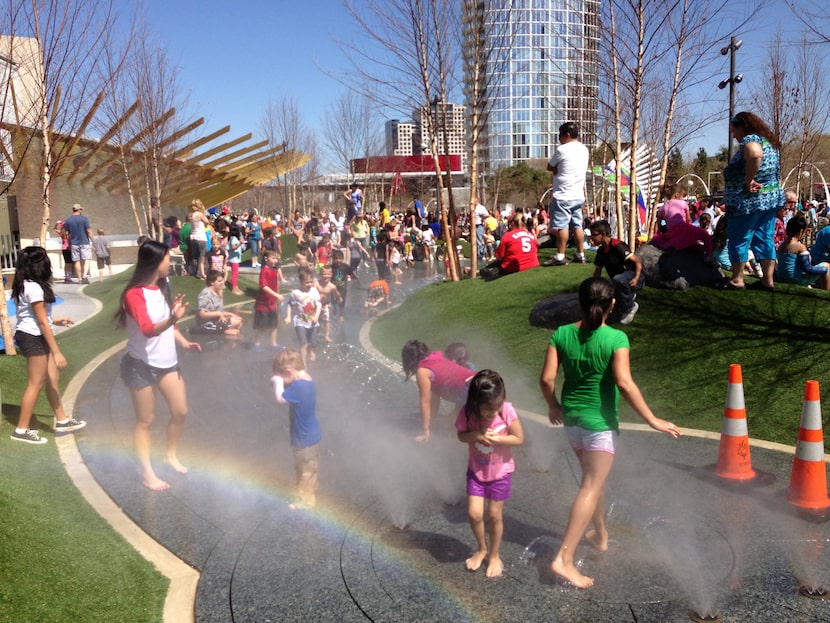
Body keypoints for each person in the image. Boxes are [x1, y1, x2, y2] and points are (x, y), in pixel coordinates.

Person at [539, 276, 680, 588]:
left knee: (593, 482)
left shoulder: (561, 334)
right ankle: (563, 558)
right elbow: (624, 383)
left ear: (579, 302)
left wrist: (553, 405)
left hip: (573, 422)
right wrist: (652, 419)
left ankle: (600, 534)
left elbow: (547, 380)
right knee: (589, 487)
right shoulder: (615, 339)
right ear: (612, 304)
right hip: (599, 426)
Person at [115, 240, 202, 491]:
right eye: (167, 257)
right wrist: (173, 318)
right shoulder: (134, 294)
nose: (170, 260)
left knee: (181, 411)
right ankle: (147, 473)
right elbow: (147, 329)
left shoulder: (164, 285)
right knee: (146, 420)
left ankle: (170, 455)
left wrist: (183, 340)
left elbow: (167, 323)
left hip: (167, 363)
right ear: (155, 261)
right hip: (140, 364)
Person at [10, 247, 86, 444]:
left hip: (36, 333)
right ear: (39, 265)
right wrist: (57, 351)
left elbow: (40, 317)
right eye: (45, 260)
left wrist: (57, 320)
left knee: (53, 378)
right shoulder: (33, 287)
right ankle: (21, 430)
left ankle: (62, 420)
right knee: (36, 383)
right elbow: (41, 322)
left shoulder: (28, 284)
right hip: (32, 337)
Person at [455, 370, 524, 578]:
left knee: (494, 516)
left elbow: (519, 438)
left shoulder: (506, 410)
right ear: (475, 403)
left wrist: (498, 439)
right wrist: (476, 434)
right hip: (477, 471)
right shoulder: (467, 413)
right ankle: (481, 548)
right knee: (474, 514)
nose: (493, 412)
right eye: (488, 409)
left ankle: (494, 555)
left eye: (496, 407)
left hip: (500, 472)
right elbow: (461, 436)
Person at [721, 111, 784, 291]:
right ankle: (767, 280)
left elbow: (755, 154)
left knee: (739, 238)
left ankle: (737, 279)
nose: (733, 134)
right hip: (769, 200)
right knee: (765, 238)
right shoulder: (769, 143)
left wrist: (749, 180)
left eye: (734, 130)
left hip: (748, 203)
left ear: (743, 126)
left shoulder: (751, 141)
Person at [271, 348, 322, 510]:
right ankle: (308, 492)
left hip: (304, 437)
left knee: (305, 469)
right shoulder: (307, 380)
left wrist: (276, 382)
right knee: (309, 468)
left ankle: (306, 502)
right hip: (311, 435)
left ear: (289, 371)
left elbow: (280, 399)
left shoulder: (299, 386)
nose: (285, 383)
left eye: (283, 377)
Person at [401, 339, 476, 442]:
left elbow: (425, 402)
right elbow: (435, 399)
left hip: (471, 389)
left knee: (457, 425)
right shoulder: (436, 357)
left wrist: (425, 430)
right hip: (480, 381)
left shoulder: (423, 371)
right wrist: (431, 424)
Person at [544, 122, 590, 266]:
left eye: (560, 135)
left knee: (562, 226)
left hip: (563, 194)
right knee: (577, 226)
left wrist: (555, 170)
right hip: (578, 195)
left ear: (567, 135)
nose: (559, 138)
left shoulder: (562, 150)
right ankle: (580, 254)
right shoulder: (584, 149)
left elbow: (549, 166)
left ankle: (560, 256)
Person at [589, 220, 644, 325]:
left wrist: (636, 278)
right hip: (618, 281)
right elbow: (597, 272)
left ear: (604, 234)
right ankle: (627, 295)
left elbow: (638, 262)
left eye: (594, 235)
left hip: (634, 277)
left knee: (618, 280)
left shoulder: (617, 246)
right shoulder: (601, 251)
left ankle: (631, 306)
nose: (591, 238)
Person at [479, 212, 540, 281]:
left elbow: (499, 257)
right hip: (533, 264)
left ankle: (480, 272)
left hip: (514, 267)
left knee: (497, 265)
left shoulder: (508, 235)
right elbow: (536, 246)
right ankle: (480, 271)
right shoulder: (530, 234)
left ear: (512, 223)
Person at [776, 215, 830, 289]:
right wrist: (824, 270)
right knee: (826, 265)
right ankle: (826, 293)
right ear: (801, 231)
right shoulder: (800, 247)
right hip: (794, 279)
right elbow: (807, 269)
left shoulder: (782, 245)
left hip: (781, 278)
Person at [284, 266, 322, 365]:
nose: (309, 284)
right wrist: (288, 316)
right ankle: (303, 363)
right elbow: (289, 304)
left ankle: (312, 351)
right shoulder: (296, 293)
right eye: (306, 282)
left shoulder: (314, 291)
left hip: (313, 321)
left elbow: (318, 304)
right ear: (300, 282)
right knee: (304, 343)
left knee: (313, 343)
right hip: (300, 321)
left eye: (311, 282)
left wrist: (317, 317)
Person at [193, 270, 243, 338]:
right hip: (205, 325)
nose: (222, 283)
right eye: (219, 281)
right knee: (235, 322)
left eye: (222, 281)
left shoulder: (217, 293)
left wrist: (230, 314)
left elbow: (220, 311)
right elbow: (202, 314)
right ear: (212, 282)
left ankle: (226, 332)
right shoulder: (205, 294)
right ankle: (223, 332)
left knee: (238, 320)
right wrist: (219, 314)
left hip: (215, 321)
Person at [253, 249, 285, 350]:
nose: (276, 260)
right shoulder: (264, 270)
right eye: (273, 258)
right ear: (266, 259)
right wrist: (276, 295)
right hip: (263, 304)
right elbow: (264, 286)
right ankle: (257, 343)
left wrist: (277, 296)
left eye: (276, 258)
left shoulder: (275, 270)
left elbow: (276, 283)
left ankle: (273, 343)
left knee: (274, 325)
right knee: (262, 326)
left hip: (272, 303)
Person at [62, 203, 94, 283]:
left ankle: (79, 279)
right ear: (79, 210)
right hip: (84, 242)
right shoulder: (84, 219)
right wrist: (93, 241)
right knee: (87, 259)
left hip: (74, 243)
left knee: (76, 261)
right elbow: (89, 231)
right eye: (81, 209)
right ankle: (84, 276)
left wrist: (69, 244)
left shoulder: (68, 220)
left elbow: (67, 234)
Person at [189, 198, 210, 280]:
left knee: (195, 256)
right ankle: (201, 273)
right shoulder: (200, 214)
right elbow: (207, 222)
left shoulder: (192, 215)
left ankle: (195, 271)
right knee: (203, 256)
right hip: (200, 237)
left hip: (193, 237)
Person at [227, 223, 244, 296]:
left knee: (236, 274)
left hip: (235, 259)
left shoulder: (233, 238)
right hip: (234, 259)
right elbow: (233, 247)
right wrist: (240, 243)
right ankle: (234, 288)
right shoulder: (233, 238)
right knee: (234, 274)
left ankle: (236, 287)